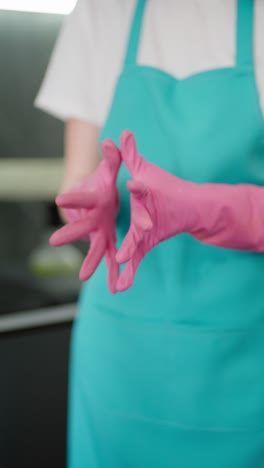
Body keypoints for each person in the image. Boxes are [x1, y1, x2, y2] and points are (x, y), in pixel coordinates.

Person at [35, 1, 264, 466]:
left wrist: (206, 208)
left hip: (243, 359)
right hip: (119, 358)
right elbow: (74, 182)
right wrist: (92, 199)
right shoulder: (103, 12)